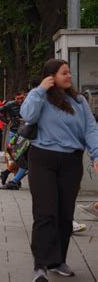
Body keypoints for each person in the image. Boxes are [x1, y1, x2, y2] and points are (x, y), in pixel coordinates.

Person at [21, 59, 98, 282]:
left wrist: (96, 153)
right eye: (64, 73)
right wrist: (39, 91)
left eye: (70, 72)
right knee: (45, 214)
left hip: (71, 162)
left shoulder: (79, 101)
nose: (69, 76)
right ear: (50, 76)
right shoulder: (41, 96)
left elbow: (91, 128)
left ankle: (57, 260)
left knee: (64, 215)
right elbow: (28, 115)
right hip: (43, 159)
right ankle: (40, 266)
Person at [0, 90, 26, 184]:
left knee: (22, 158)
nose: (20, 100)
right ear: (14, 98)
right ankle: (15, 178)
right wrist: (6, 121)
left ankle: (9, 175)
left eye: (22, 98)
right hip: (14, 132)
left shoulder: (28, 103)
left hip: (25, 133)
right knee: (15, 156)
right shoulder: (10, 104)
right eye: (18, 99)